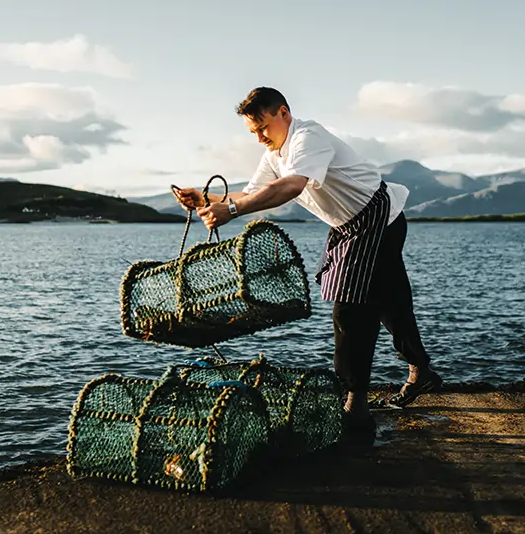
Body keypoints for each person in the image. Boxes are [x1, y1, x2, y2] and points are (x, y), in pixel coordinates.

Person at [173, 86, 441, 437]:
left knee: (351, 307)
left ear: (283, 113)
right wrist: (204, 198)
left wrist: (233, 210)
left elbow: (292, 187)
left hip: (378, 218)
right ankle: (421, 372)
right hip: (350, 226)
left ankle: (355, 410)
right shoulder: (274, 154)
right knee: (390, 304)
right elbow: (253, 192)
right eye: (252, 132)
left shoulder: (307, 137)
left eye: (262, 128)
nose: (258, 138)